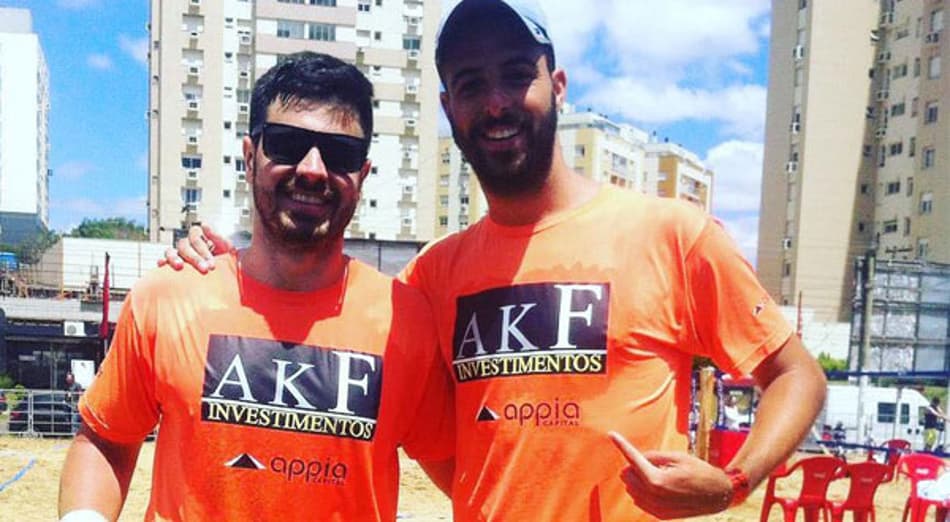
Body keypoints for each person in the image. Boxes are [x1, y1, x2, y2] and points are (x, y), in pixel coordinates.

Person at [165, 1, 828, 519]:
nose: (496, 101)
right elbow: (338, 338)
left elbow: (796, 374)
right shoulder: (433, 277)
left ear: (557, 84)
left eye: (517, 74)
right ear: (449, 107)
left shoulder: (671, 234)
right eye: (470, 82)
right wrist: (235, 270)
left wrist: (733, 482)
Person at [59, 52, 453, 522]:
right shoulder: (169, 295)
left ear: (362, 176)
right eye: (287, 144)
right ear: (250, 158)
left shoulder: (404, 320)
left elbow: (470, 470)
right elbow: (105, 438)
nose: (312, 168)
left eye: (340, 153)